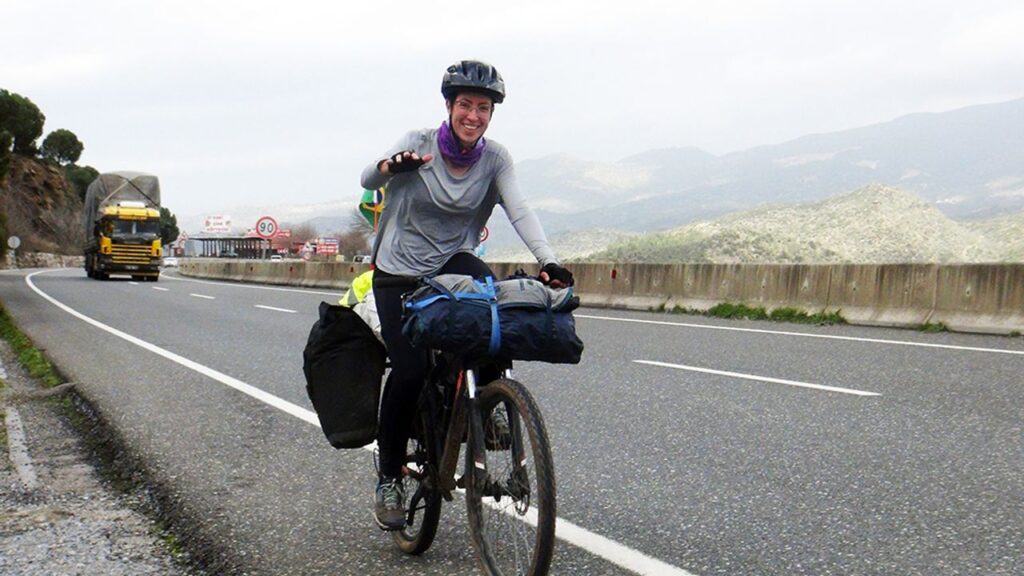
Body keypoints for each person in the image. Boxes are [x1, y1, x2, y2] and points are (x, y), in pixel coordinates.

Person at [361, 59, 574, 530]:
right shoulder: (418, 142)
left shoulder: (496, 159)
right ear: (449, 106)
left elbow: (520, 209)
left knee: (495, 311)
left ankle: (489, 405)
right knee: (411, 369)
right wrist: (390, 167)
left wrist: (548, 261)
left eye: (482, 108)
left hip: (452, 262)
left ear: (491, 114)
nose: (473, 115)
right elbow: (367, 179)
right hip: (397, 271)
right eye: (465, 105)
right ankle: (389, 476)